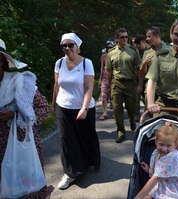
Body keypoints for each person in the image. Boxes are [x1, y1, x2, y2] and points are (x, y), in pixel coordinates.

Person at [0, 39, 54, 198]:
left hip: (21, 147)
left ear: (2, 60)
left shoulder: (20, 83)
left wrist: (15, 115)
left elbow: (43, 108)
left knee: (26, 190)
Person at [52, 33, 101, 189]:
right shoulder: (59, 63)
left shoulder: (87, 63)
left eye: (70, 45)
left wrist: (84, 107)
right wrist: (53, 104)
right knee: (66, 139)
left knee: (84, 138)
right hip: (63, 106)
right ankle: (70, 173)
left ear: (77, 46)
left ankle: (87, 162)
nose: (67, 48)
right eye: (64, 45)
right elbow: (56, 86)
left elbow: (89, 87)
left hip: (83, 108)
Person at [106, 28, 142, 143]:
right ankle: (121, 132)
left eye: (126, 37)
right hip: (117, 83)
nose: (125, 39)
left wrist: (140, 84)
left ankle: (132, 120)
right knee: (117, 109)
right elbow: (109, 70)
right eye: (122, 37)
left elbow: (139, 69)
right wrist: (108, 85)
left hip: (130, 83)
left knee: (131, 108)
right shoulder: (111, 53)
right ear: (116, 39)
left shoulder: (133, 51)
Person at [135, 122, 178, 199]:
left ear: (175, 145)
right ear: (156, 142)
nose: (164, 149)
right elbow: (160, 171)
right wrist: (150, 170)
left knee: (143, 196)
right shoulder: (156, 153)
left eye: (168, 146)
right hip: (161, 186)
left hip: (172, 191)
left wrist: (138, 197)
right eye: (161, 144)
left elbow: (156, 178)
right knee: (149, 196)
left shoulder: (172, 157)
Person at [139, 26, 171, 111]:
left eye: (149, 36)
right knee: (150, 113)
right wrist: (144, 63)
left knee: (165, 113)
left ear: (156, 36)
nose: (147, 39)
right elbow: (143, 72)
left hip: (166, 89)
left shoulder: (170, 50)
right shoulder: (147, 52)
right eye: (146, 37)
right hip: (150, 89)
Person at [133, 34, 150, 121]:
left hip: (148, 80)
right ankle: (136, 114)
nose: (138, 46)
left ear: (143, 42)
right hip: (139, 78)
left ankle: (146, 115)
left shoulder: (150, 51)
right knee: (136, 97)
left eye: (139, 44)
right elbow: (139, 69)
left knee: (148, 98)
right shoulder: (137, 52)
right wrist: (139, 84)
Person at [98, 40, 114, 120]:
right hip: (105, 77)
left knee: (113, 95)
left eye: (111, 47)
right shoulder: (103, 56)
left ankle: (115, 112)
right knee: (104, 94)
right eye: (108, 47)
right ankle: (105, 113)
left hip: (114, 78)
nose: (109, 49)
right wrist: (100, 79)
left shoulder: (115, 55)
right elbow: (101, 68)